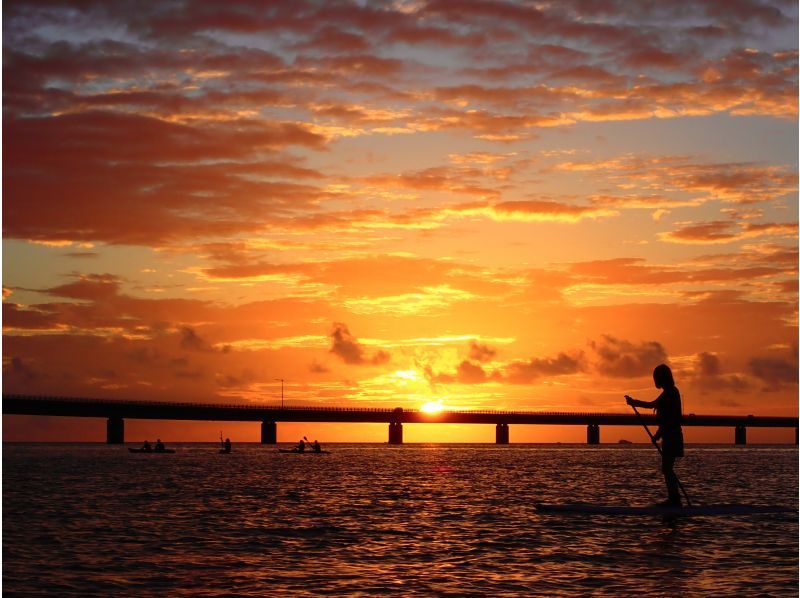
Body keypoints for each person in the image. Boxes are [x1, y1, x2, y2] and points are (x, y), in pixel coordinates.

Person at [625, 363, 684, 506]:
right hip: (669, 436)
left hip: (672, 437)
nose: (655, 380)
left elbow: (665, 415)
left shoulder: (671, 392)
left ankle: (674, 500)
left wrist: (634, 402)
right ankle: (674, 498)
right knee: (667, 468)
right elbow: (665, 418)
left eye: (656, 377)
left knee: (667, 468)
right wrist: (658, 435)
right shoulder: (668, 392)